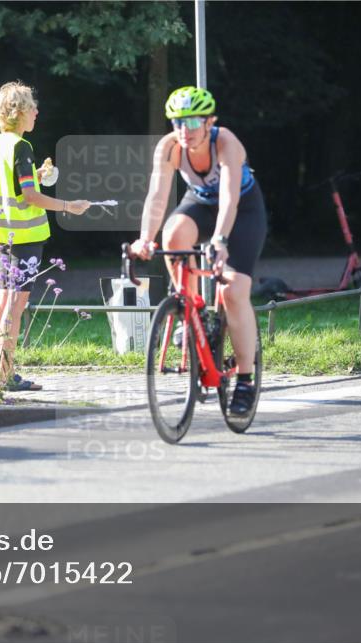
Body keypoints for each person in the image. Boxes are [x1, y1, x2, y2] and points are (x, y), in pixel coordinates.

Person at [129, 86, 267, 416]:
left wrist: (220, 240)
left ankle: (246, 378)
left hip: (242, 211)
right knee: (173, 233)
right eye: (178, 122)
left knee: (234, 290)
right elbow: (157, 197)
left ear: (209, 122)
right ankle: (189, 310)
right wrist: (145, 239)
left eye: (193, 122)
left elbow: (231, 200)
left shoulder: (227, 143)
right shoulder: (169, 148)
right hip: (201, 204)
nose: (185, 130)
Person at [0, 81, 90, 391]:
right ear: (18, 112)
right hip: (25, 237)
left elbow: (18, 186)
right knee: (16, 306)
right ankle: (6, 376)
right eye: (32, 107)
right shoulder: (21, 146)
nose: (36, 112)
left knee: (2, 302)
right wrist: (68, 206)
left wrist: (38, 175)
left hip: (3, 233)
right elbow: (30, 197)